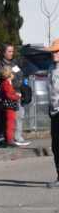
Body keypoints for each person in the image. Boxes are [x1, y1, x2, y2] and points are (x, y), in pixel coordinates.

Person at [0, 43, 30, 146]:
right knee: (11, 118)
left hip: (20, 91)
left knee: (20, 115)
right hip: (12, 92)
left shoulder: (14, 62)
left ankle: (18, 135)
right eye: (9, 51)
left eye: (12, 51)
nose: (11, 53)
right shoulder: (1, 64)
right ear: (3, 52)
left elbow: (21, 74)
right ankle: (13, 138)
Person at [0, 66, 22, 148]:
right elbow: (9, 96)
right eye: (11, 73)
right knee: (10, 124)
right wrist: (18, 96)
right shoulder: (7, 84)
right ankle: (9, 140)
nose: (13, 74)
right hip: (9, 106)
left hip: (6, 105)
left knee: (7, 122)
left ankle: (7, 139)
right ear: (9, 75)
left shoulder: (4, 83)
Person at [48, 40, 59, 188]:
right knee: (56, 146)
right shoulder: (51, 68)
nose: (54, 54)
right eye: (53, 51)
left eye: (57, 51)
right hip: (54, 111)